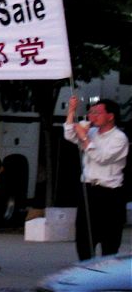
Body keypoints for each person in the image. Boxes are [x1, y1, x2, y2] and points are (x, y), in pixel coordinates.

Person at [64, 95, 129, 260]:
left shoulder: (119, 138)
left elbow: (102, 157)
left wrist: (85, 138)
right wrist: (72, 110)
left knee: (110, 238)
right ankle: (85, 267)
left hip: (110, 192)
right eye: (91, 112)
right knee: (84, 236)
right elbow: (70, 135)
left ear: (110, 116)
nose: (92, 117)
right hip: (89, 188)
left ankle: (106, 271)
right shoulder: (92, 132)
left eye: (97, 113)